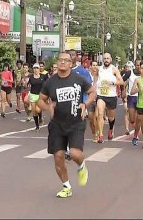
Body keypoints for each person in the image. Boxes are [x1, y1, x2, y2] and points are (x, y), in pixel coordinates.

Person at [37, 51, 96, 198]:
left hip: (76, 122)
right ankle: (66, 186)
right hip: (57, 124)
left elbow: (92, 92)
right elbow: (40, 100)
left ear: (71, 63)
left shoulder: (79, 79)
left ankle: (82, 166)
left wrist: (85, 104)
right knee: (58, 156)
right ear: (56, 63)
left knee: (75, 153)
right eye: (60, 60)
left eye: (66, 60)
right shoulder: (50, 82)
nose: (62, 62)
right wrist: (47, 107)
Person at [95, 53, 124, 143]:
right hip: (101, 95)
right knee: (100, 113)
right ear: (102, 60)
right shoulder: (99, 69)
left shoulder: (114, 69)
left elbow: (121, 81)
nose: (106, 60)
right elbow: (95, 81)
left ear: (110, 59)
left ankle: (111, 128)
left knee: (111, 117)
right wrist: (93, 91)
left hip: (111, 96)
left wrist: (112, 83)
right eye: (104, 59)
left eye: (108, 58)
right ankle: (100, 135)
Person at [122, 59, 141, 146]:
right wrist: (123, 92)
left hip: (141, 98)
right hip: (131, 97)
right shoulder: (130, 73)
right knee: (132, 118)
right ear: (135, 65)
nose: (139, 67)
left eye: (140, 65)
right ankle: (135, 127)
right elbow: (122, 81)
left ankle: (135, 136)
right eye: (137, 65)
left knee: (138, 118)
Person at [28, 63, 45, 131]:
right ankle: (37, 126)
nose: (36, 69)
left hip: (40, 95)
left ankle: (40, 117)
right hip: (33, 95)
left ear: (39, 69)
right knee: (34, 111)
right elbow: (27, 85)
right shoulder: (31, 77)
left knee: (38, 110)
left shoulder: (43, 76)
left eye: (37, 68)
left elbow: (46, 85)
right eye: (34, 68)